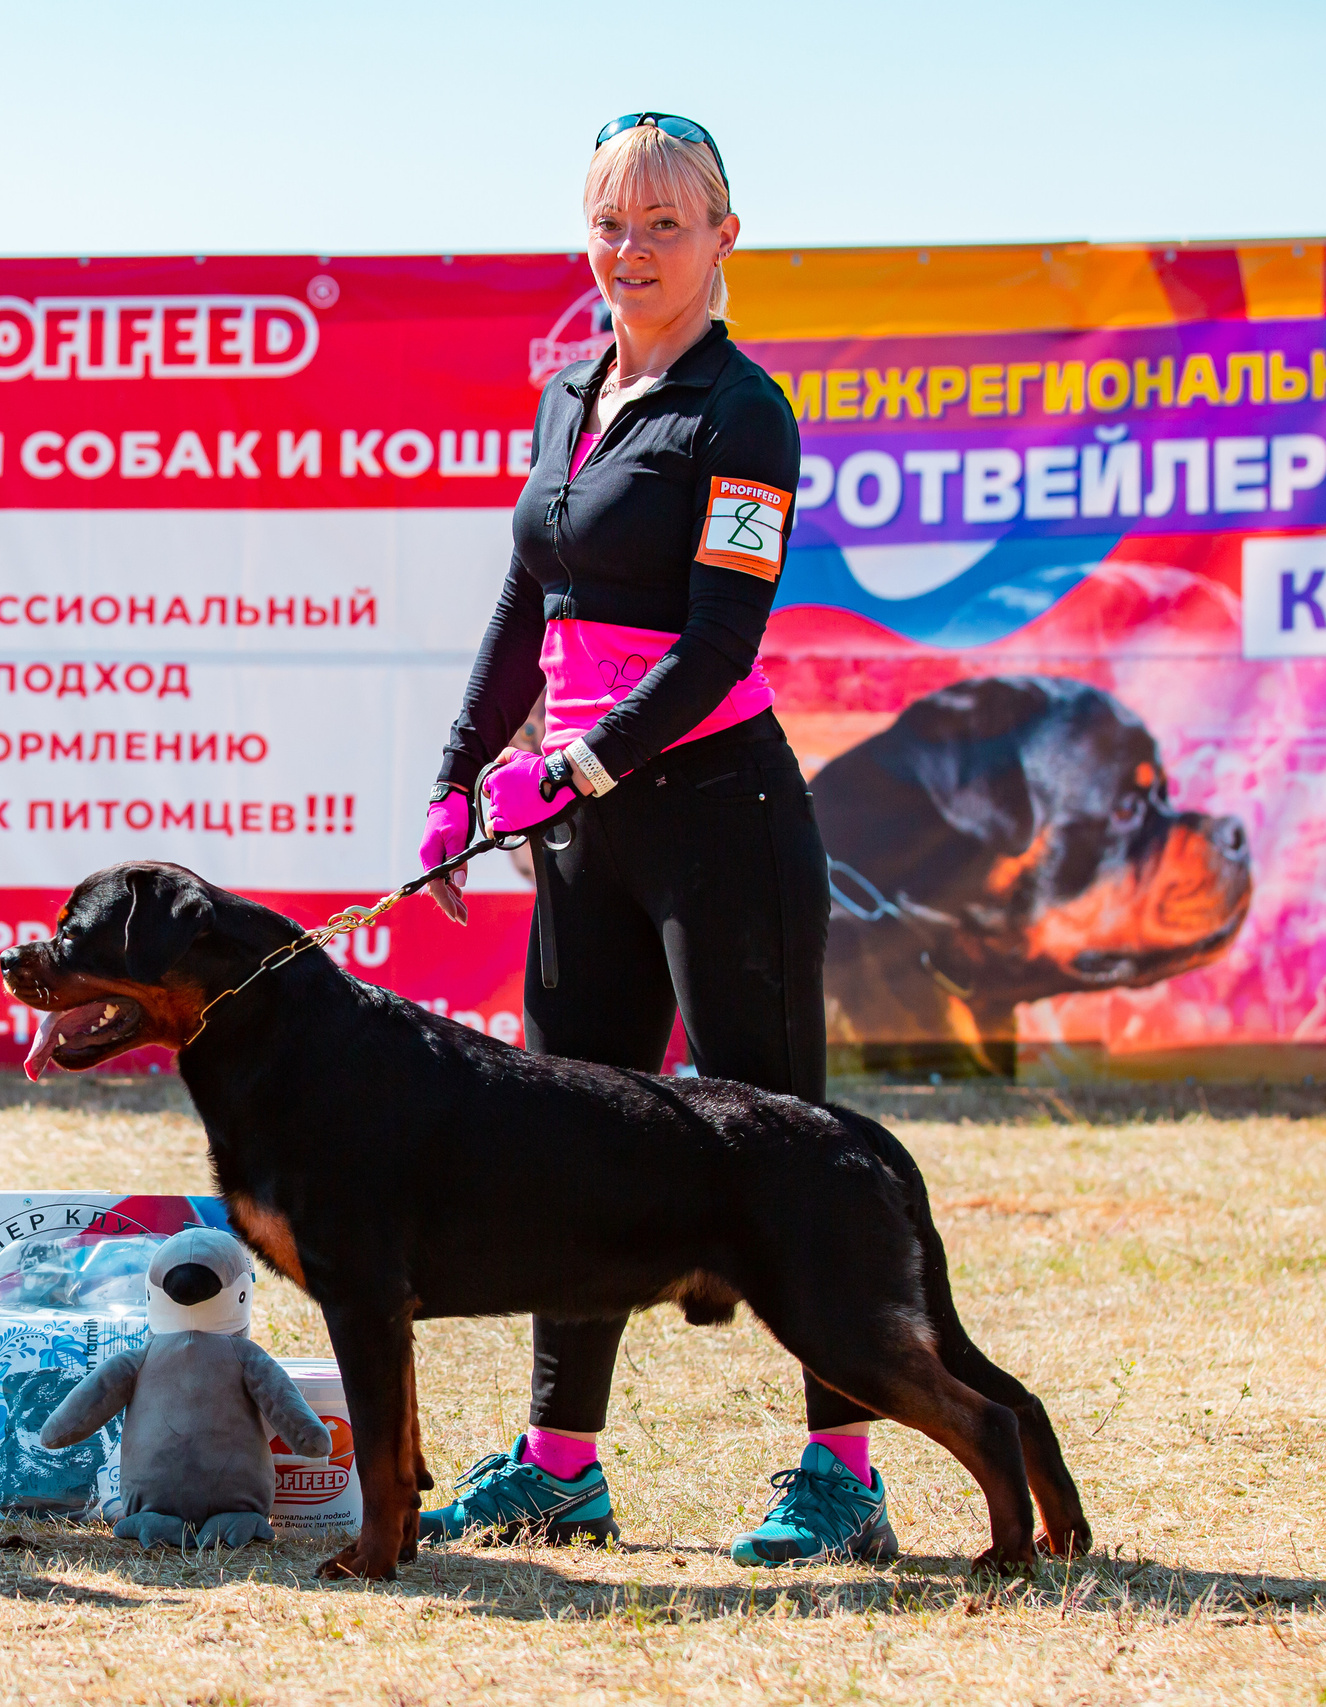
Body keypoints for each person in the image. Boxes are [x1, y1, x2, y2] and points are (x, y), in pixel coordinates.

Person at [409, 115, 886, 1567]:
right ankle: (561, 1466)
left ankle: (846, 1473)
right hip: (582, 830)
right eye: (612, 223)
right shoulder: (569, 394)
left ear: (725, 238)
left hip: (716, 819)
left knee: (785, 1145)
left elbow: (720, 638)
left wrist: (585, 766)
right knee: (569, 1137)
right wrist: (459, 773)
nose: (634, 250)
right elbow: (523, 602)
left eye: (666, 224)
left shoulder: (744, 414)